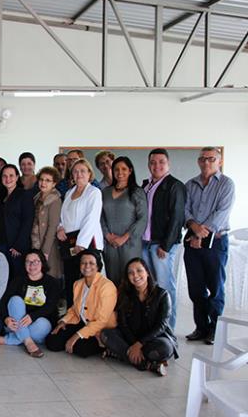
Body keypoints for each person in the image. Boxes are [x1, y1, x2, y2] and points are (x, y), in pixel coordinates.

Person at [184, 146, 235, 345]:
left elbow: (222, 212)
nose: (206, 162)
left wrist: (201, 233)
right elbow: (185, 210)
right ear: (198, 161)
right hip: (192, 240)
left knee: (215, 287)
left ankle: (215, 329)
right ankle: (201, 327)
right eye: (203, 159)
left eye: (211, 159)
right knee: (196, 288)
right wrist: (194, 227)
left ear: (219, 161)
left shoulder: (226, 184)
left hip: (216, 241)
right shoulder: (190, 184)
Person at [101, 258, 177, 376]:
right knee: (106, 334)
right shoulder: (124, 295)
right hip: (131, 337)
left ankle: (120, 354)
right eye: (130, 273)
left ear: (147, 272)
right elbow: (123, 324)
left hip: (155, 338)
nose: (135, 275)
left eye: (139, 271)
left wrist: (139, 344)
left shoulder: (162, 295)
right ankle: (150, 365)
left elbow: (161, 325)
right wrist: (134, 344)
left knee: (164, 348)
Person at [141, 148, 186, 330]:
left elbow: (177, 217)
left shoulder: (175, 186)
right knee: (150, 287)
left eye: (161, 162)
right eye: (153, 162)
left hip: (161, 244)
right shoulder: (146, 184)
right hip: (145, 243)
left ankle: (168, 329)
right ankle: (152, 326)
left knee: (166, 286)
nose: (156, 165)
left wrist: (166, 246)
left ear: (168, 164)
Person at [46, 250, 117, 357]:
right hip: (82, 322)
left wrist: (76, 335)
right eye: (83, 263)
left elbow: (102, 320)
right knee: (52, 342)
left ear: (98, 266)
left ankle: (105, 346)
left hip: (100, 328)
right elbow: (75, 309)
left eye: (91, 263)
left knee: (81, 349)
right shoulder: (78, 284)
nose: (87, 266)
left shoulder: (107, 286)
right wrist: (64, 321)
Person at [0, 250, 61, 357]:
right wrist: (5, 318)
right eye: (28, 262)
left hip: (38, 325)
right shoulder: (18, 280)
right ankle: (28, 341)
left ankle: (10, 339)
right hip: (16, 322)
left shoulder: (52, 283)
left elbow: (50, 307)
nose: (32, 265)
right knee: (15, 300)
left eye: (36, 261)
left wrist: (32, 317)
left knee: (44, 324)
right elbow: (4, 301)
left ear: (42, 263)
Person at [57, 159, 103, 307]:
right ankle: (72, 317)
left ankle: (89, 322)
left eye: (83, 171)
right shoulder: (69, 193)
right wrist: (60, 228)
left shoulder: (94, 192)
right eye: (75, 171)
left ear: (89, 173)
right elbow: (63, 216)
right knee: (71, 281)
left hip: (87, 244)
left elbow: (92, 218)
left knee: (88, 282)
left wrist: (81, 244)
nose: (79, 174)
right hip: (69, 244)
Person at [101, 156, 147, 286]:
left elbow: (143, 218)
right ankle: (116, 306)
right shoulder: (105, 192)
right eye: (116, 169)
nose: (120, 172)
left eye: (124, 169)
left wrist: (124, 237)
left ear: (130, 171)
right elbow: (100, 217)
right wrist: (108, 236)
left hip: (130, 243)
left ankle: (131, 307)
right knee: (112, 280)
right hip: (110, 244)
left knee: (131, 279)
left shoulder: (137, 192)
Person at [0, 164, 34, 275]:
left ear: (17, 177)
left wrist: (18, 245)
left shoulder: (24, 195)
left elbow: (28, 221)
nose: (8, 179)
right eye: (4, 176)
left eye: (11, 175)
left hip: (16, 245)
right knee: (2, 275)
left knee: (17, 275)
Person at [31, 166, 62, 279]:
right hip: (35, 242)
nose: (43, 183)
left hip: (48, 245)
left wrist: (45, 250)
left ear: (54, 183)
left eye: (48, 180)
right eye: (41, 179)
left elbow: (52, 226)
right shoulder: (37, 198)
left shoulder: (55, 200)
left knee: (49, 274)